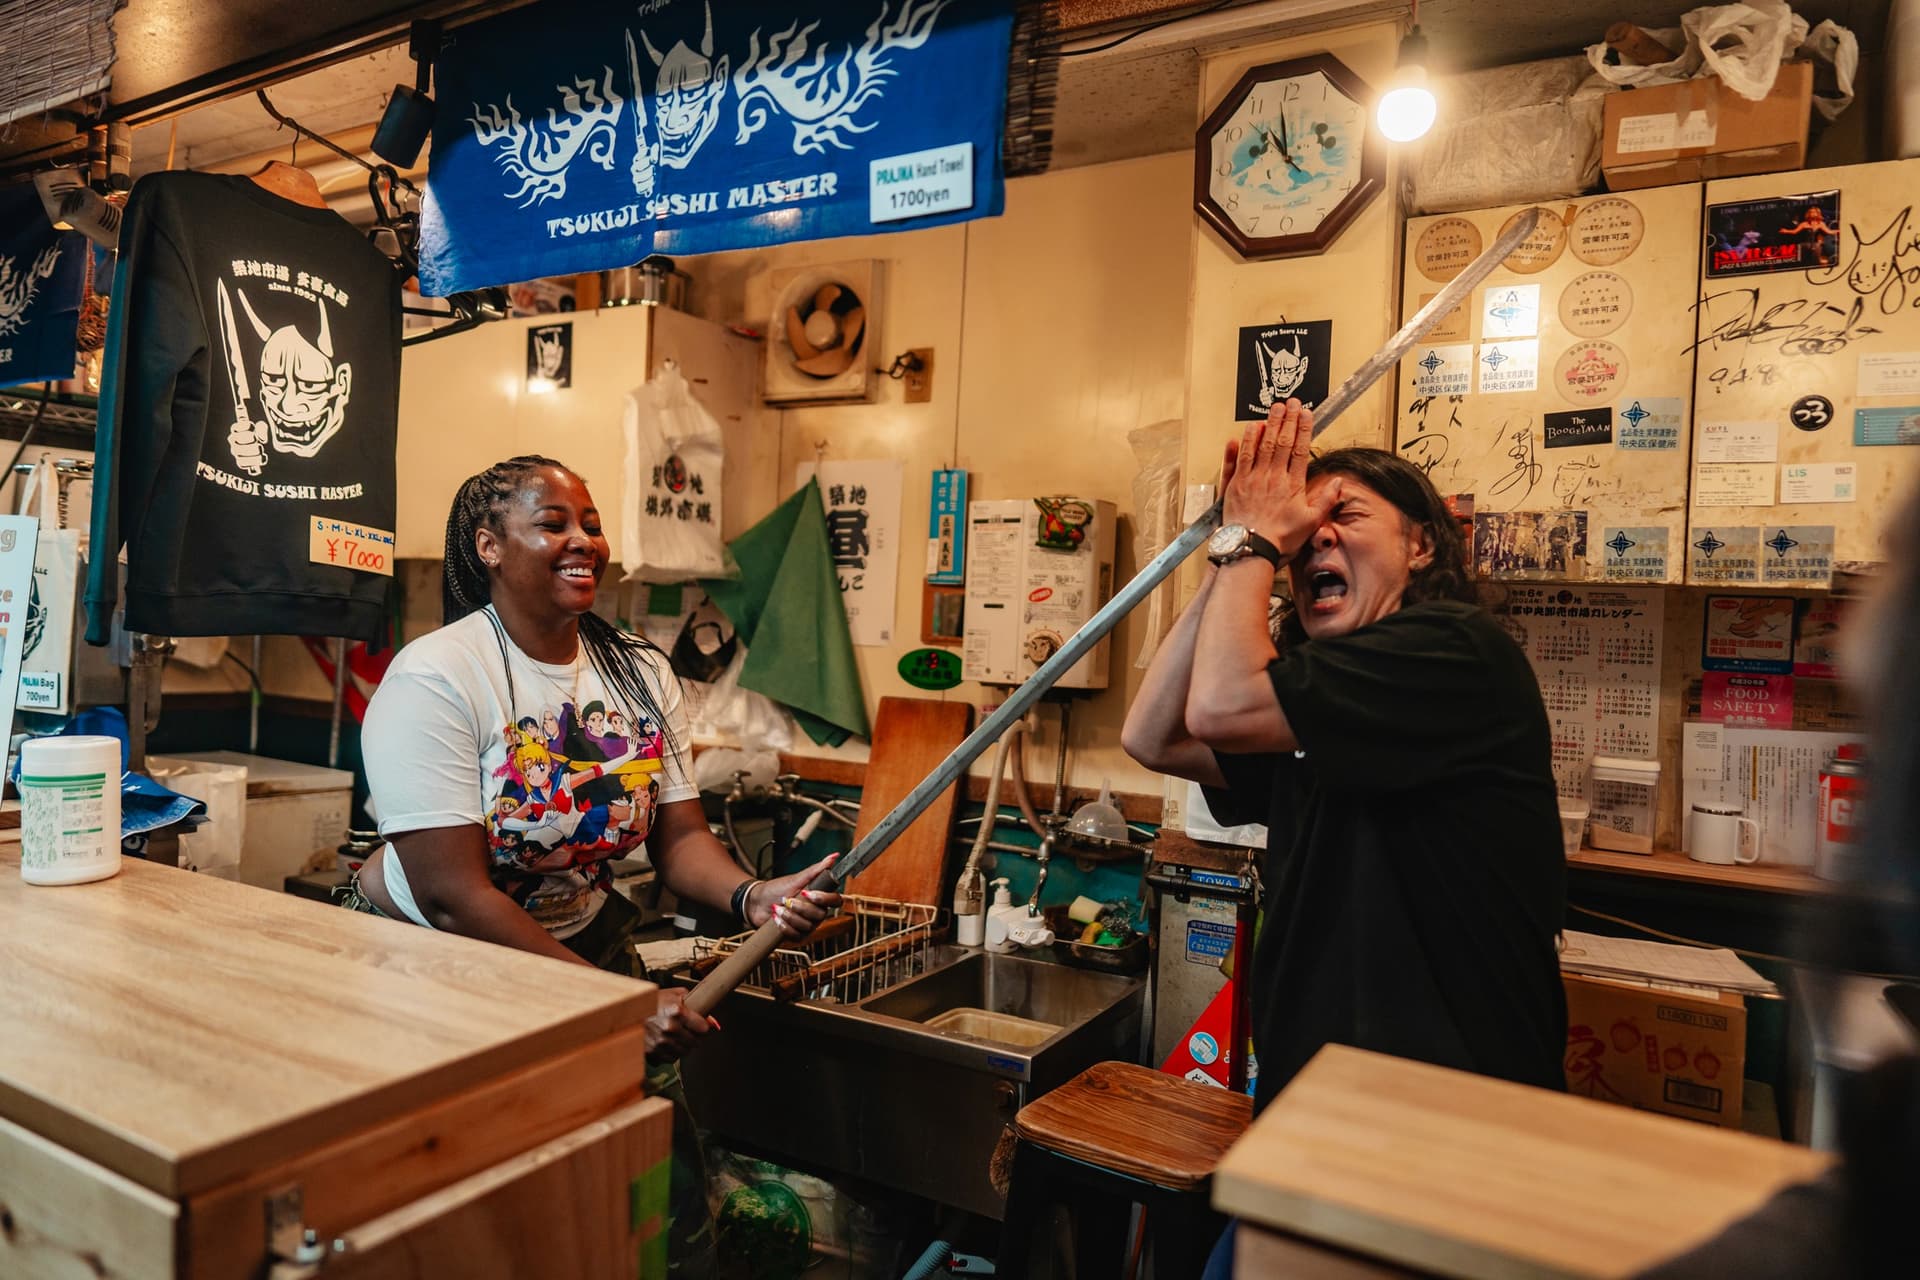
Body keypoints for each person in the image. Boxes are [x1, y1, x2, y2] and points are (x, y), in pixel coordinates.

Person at [348, 455, 840, 1278]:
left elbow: (679, 841)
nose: (583, 541)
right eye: (553, 524)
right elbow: (452, 894)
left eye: (591, 524)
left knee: (657, 1193)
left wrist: (751, 894)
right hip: (440, 969)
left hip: (583, 947)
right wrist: (619, 1008)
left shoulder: (638, 671)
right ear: (489, 546)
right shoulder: (438, 675)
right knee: (482, 1208)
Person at [1122, 400, 1567, 1276]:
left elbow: (1219, 706)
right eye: (1301, 530)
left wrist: (1254, 539)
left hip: (1442, 1134)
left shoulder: (1453, 651)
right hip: (1316, 1118)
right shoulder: (1313, 702)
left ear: (1421, 546)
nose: (1312, 538)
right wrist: (1234, 547)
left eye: (1346, 515)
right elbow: (1155, 735)